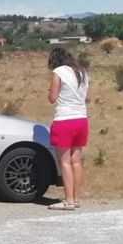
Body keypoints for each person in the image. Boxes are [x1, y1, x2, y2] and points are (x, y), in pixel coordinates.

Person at [46, 47, 91, 211]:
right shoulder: (82, 73)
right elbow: (88, 97)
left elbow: (53, 98)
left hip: (64, 120)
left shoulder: (58, 72)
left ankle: (68, 200)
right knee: (76, 161)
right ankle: (76, 198)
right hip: (81, 120)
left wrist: (50, 92)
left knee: (64, 162)